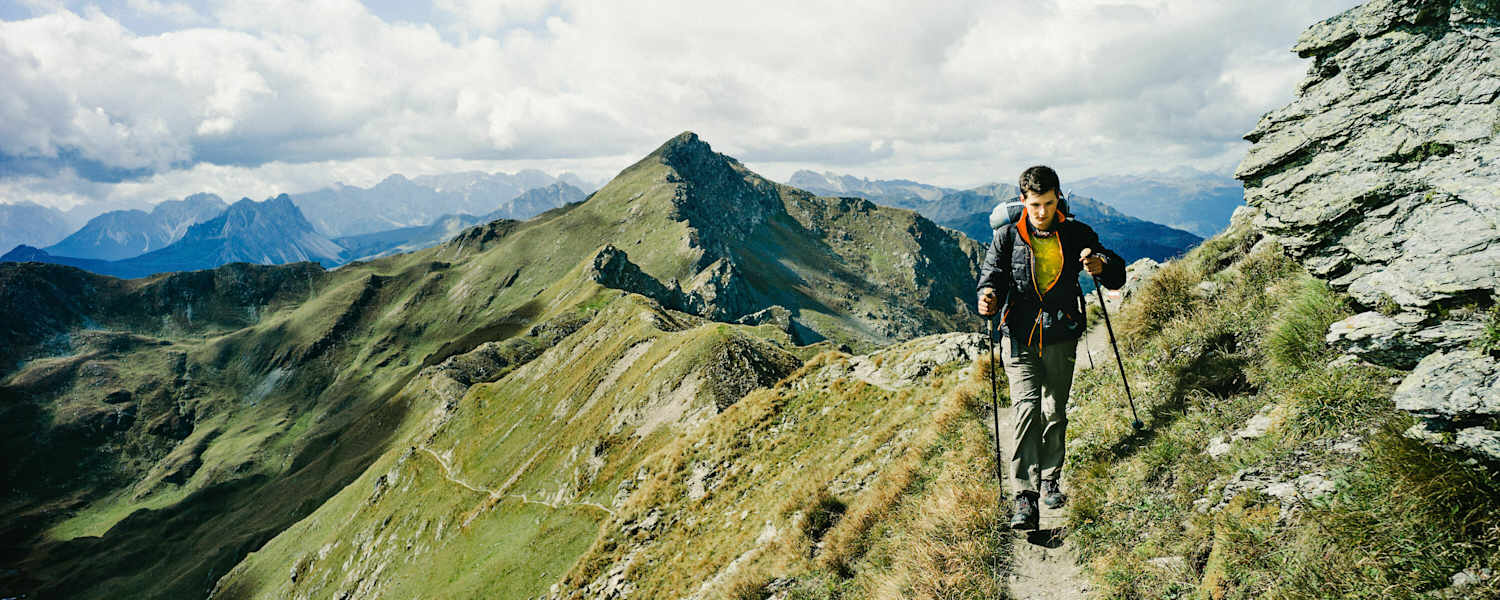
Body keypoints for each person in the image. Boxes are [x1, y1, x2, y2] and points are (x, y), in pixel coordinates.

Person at [976, 165, 1126, 530]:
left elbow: (1116, 274)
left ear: (1057, 198)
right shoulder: (1008, 236)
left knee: (1054, 410)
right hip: (1019, 335)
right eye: (1034, 205)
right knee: (1026, 409)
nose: (1041, 212)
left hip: (1061, 333)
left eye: (1047, 203)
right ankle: (1025, 496)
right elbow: (991, 275)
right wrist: (988, 295)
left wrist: (1100, 264)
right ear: (1023, 201)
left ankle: (1049, 479)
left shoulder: (1076, 233)